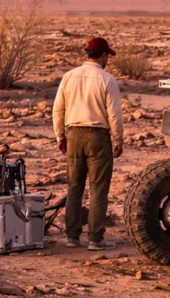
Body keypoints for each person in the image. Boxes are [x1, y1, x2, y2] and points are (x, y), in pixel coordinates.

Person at [52, 37, 124, 251]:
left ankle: (72, 236)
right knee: (98, 188)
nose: (107, 60)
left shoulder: (69, 76)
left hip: (73, 134)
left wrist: (60, 137)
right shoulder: (107, 79)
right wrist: (118, 139)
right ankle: (95, 238)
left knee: (75, 187)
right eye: (107, 56)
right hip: (98, 137)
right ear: (102, 55)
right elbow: (114, 114)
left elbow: (58, 109)